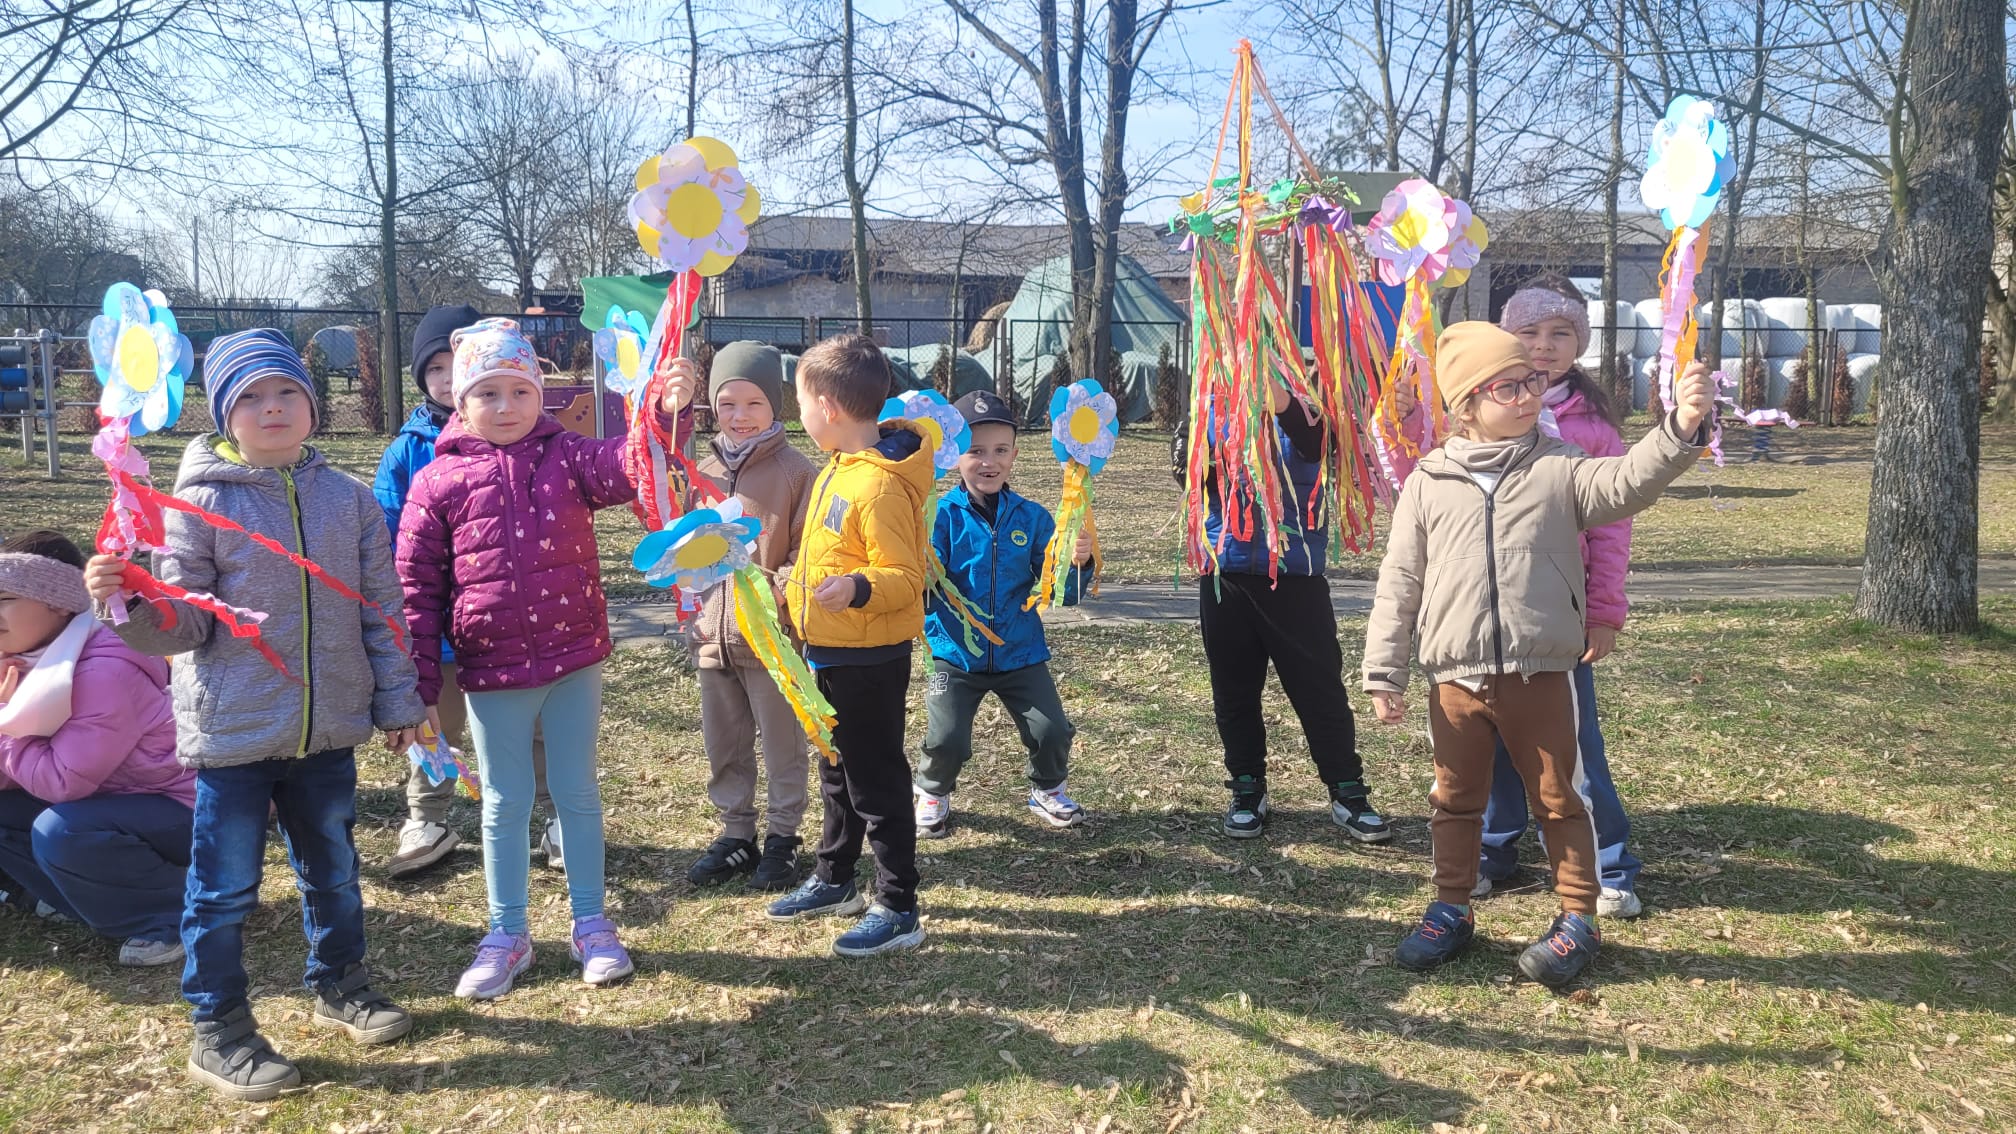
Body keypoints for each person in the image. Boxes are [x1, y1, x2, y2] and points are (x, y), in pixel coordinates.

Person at [85, 328, 425, 1101]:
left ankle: (341, 981)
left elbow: (381, 608)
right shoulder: (198, 503)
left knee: (333, 871)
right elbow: (184, 623)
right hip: (234, 735)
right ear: (224, 417)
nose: (272, 408)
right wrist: (131, 601)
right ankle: (220, 1029)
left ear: (313, 406)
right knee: (224, 889)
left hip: (326, 730)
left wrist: (398, 700)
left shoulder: (349, 501)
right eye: (251, 398)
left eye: (287, 392)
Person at [1362, 322, 1712, 989]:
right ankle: (1451, 908)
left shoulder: (1560, 467)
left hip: (1543, 674)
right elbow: (1400, 580)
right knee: (1454, 799)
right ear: (1467, 403)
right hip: (1455, 680)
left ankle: (1579, 917)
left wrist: (1681, 428)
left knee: (1560, 799)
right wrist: (1384, 670)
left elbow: (1629, 483)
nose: (1529, 395)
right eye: (1509, 386)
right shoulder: (1429, 481)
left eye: (1532, 382)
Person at [398, 318, 685, 1000]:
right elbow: (415, 591)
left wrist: (663, 412)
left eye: (520, 391)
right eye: (488, 393)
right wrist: (418, 687)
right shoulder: (437, 482)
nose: (506, 406)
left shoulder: (569, 457)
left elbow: (629, 466)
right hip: (492, 670)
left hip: (573, 658)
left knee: (577, 794)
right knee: (504, 803)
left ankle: (592, 923)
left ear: (541, 396)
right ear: (460, 400)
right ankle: (508, 933)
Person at [763, 333, 933, 958]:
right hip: (829, 650)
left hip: (869, 659)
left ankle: (898, 905)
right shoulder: (839, 469)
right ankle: (836, 878)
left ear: (828, 408)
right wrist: (791, 584)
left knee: (875, 780)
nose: (799, 415)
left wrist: (857, 588)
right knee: (838, 770)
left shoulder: (879, 486)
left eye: (801, 402)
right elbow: (832, 555)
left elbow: (906, 577)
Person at [1482, 282, 1644, 918]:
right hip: (1489, 606)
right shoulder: (1480, 412)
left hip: (1561, 612)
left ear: (1580, 345)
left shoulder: (1591, 429)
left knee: (1572, 742)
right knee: (1491, 736)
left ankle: (1608, 862)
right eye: (1529, 333)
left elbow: (1611, 529)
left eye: (1560, 334)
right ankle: (1492, 850)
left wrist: (1603, 612)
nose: (1544, 347)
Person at [1177, 379, 1391, 843]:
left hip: (1295, 579)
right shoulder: (1209, 407)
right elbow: (1194, 480)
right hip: (1226, 574)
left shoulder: (1307, 407)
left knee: (1320, 692)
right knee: (1234, 693)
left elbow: (1313, 444)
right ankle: (1246, 787)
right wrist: (1192, 454)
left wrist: (1283, 401)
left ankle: (1347, 791)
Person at [0, 530, 192, 968]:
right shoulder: (29, 659)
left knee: (63, 831)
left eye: (5, 599)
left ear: (57, 602)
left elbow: (62, 781)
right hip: (113, 800)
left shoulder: (104, 669)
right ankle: (74, 897)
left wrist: (4, 720)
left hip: (183, 809)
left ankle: (175, 913)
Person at [913, 390, 1095, 838]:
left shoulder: (1032, 518)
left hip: (1020, 652)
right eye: (975, 451)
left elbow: (1061, 591)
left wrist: (1078, 563)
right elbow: (922, 590)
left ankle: (1048, 789)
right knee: (946, 738)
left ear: (1014, 455)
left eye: (999, 451)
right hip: (953, 655)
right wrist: (921, 572)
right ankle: (933, 790)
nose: (988, 462)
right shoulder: (939, 517)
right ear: (954, 456)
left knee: (1052, 729)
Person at [681, 342, 818, 891]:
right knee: (725, 745)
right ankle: (736, 833)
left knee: (783, 743)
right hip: (711, 637)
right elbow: (684, 545)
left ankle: (784, 836)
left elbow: (807, 548)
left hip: (769, 637)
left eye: (754, 402)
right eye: (728, 403)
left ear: (776, 405)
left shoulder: (796, 471)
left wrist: (777, 591)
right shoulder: (703, 470)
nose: (740, 416)